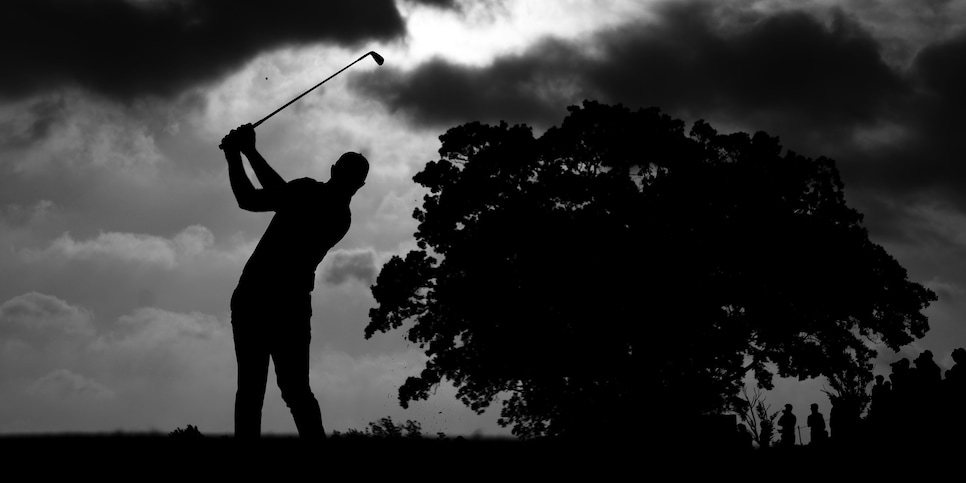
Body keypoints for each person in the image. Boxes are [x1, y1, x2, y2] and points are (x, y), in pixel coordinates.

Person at [221, 123, 369, 438]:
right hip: (289, 304)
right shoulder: (339, 216)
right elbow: (282, 193)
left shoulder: (310, 194)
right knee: (295, 391)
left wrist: (237, 155)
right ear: (360, 185)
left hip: (257, 297)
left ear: (334, 170)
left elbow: (251, 199)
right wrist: (248, 151)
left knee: (253, 389)